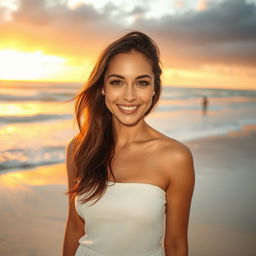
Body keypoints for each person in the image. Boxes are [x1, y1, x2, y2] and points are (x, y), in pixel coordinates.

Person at [63, 31, 195, 256]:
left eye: (141, 83)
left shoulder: (175, 158)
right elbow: (75, 227)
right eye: (117, 82)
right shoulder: (80, 148)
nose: (129, 96)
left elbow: (175, 244)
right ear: (103, 87)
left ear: (154, 88)